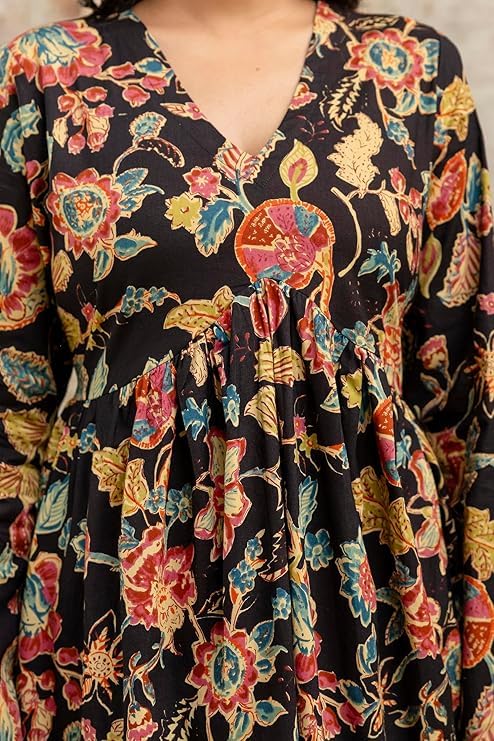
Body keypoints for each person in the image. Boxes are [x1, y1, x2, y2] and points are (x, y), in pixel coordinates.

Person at [0, 0, 492, 737]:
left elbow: (469, 404)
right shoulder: (48, 75)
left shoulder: (414, 73)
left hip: (377, 626)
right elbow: (10, 418)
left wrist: (479, 671)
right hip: (121, 624)